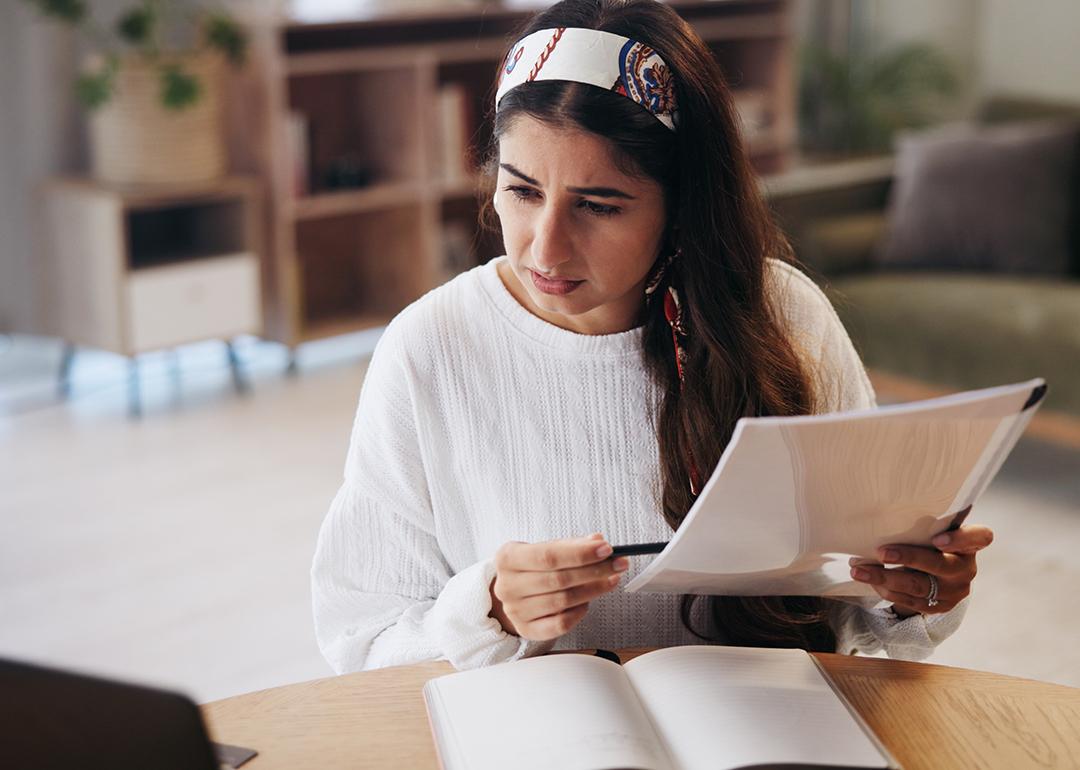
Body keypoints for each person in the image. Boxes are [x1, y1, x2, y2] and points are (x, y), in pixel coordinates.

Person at [311, 0, 993, 673]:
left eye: (598, 206)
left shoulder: (785, 316)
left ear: (683, 206)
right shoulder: (428, 349)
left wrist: (914, 591)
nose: (546, 249)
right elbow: (363, 639)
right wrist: (487, 609)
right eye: (521, 191)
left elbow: (863, 611)